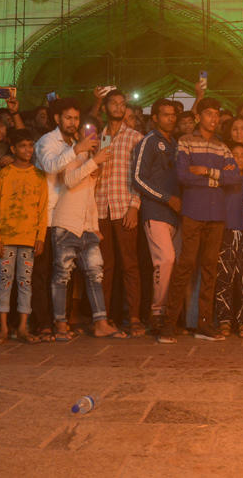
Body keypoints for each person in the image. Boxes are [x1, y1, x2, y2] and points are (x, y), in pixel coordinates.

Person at [159, 97, 241, 343]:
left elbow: (234, 177)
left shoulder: (223, 146)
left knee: (209, 269)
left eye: (217, 115)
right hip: (194, 212)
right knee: (185, 266)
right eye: (209, 114)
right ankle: (169, 323)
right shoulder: (186, 142)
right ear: (199, 117)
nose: (214, 119)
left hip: (216, 215)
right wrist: (218, 178)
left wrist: (205, 171)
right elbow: (183, 175)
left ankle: (204, 324)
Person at [37, 98, 120, 340]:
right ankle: (55, 324)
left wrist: (94, 225)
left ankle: (100, 323)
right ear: (57, 119)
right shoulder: (51, 143)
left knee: (95, 273)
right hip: (54, 216)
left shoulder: (77, 146)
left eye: (77, 119)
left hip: (81, 222)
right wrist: (88, 157)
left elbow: (88, 194)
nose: (73, 123)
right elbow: (61, 173)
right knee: (56, 275)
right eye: (69, 118)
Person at [93, 88, 145, 335]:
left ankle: (134, 316)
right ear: (104, 108)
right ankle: (104, 319)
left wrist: (134, 207)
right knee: (104, 266)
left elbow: (139, 177)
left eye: (122, 103)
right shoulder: (95, 137)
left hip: (124, 208)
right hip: (100, 209)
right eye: (113, 103)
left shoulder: (135, 137)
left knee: (130, 265)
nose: (118, 107)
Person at [0, 129, 48, 343]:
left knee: (25, 282)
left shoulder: (39, 176)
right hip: (6, 239)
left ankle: (23, 327)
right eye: (23, 146)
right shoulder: (4, 174)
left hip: (29, 238)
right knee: (5, 281)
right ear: (13, 149)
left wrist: (40, 237)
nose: (28, 150)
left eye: (30, 145)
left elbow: (43, 211)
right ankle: (3, 327)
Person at [130, 99, 182, 332]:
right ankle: (157, 313)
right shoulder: (148, 142)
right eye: (165, 115)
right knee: (166, 260)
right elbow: (138, 179)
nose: (171, 118)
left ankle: (172, 314)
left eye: (173, 115)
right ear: (155, 118)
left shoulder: (177, 144)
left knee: (176, 263)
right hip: (156, 211)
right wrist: (165, 198)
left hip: (177, 215)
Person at [215, 141, 243, 338]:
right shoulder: (223, 179)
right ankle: (224, 319)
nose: (239, 158)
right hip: (226, 232)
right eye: (235, 155)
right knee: (225, 278)